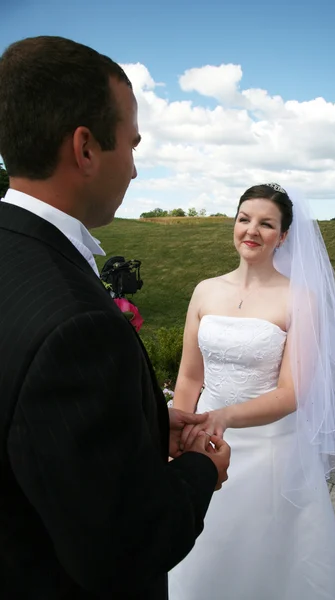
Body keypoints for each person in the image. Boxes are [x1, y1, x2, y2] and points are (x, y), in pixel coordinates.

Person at [0, 36, 230, 599]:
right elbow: (124, 548)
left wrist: (147, 423)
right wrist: (203, 470)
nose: (133, 169)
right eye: (132, 144)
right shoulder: (76, 325)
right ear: (84, 148)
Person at [169, 183, 335, 599]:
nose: (251, 230)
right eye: (244, 219)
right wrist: (179, 434)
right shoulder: (205, 290)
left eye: (266, 223)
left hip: (270, 448)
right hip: (201, 439)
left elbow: (293, 393)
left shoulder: (300, 299)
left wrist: (224, 417)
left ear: (284, 236)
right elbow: (188, 376)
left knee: (265, 553)